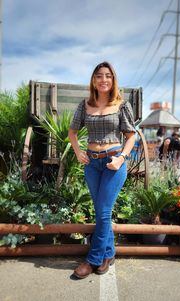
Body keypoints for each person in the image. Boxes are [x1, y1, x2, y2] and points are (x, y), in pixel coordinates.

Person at [68, 61, 135, 279]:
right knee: (101, 212)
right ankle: (109, 253)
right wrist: (79, 153)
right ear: (93, 80)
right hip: (92, 164)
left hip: (113, 163)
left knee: (104, 211)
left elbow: (131, 136)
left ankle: (93, 259)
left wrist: (121, 158)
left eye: (108, 75)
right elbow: (72, 132)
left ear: (113, 79)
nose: (103, 79)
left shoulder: (121, 105)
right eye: (99, 76)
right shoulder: (84, 105)